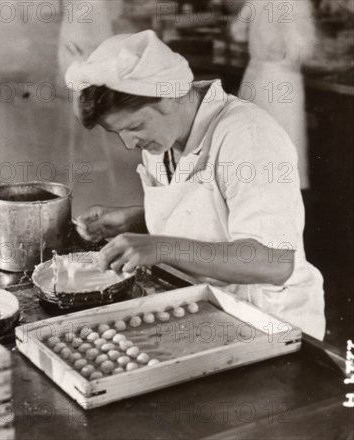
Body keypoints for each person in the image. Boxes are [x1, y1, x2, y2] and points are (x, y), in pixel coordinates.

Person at [65, 30, 325, 340]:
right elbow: (209, 212)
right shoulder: (164, 137)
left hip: (267, 322)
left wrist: (160, 247)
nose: (128, 142)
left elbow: (273, 261)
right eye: (117, 133)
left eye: (134, 126)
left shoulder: (248, 137)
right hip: (207, 305)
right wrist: (136, 219)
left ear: (172, 95)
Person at [230, 0, 316, 189]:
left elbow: (237, 32)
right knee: (282, 154)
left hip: (254, 76)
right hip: (282, 81)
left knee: (254, 155)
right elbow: (301, 48)